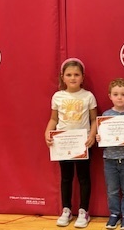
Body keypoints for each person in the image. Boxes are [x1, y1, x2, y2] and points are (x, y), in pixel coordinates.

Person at [44, 58, 97, 228]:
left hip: (82, 143)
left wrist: (92, 135)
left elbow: (94, 119)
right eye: (69, 75)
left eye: (76, 74)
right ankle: (66, 209)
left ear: (82, 77)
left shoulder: (88, 96)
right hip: (63, 144)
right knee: (66, 177)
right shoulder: (58, 96)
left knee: (83, 177)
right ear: (62, 77)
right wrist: (47, 132)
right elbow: (54, 119)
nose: (73, 78)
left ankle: (84, 211)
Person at [96, 78, 124, 230]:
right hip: (109, 160)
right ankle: (114, 214)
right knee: (112, 190)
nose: (119, 97)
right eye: (116, 94)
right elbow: (102, 137)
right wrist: (99, 138)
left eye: (123, 94)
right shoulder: (105, 115)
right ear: (110, 96)